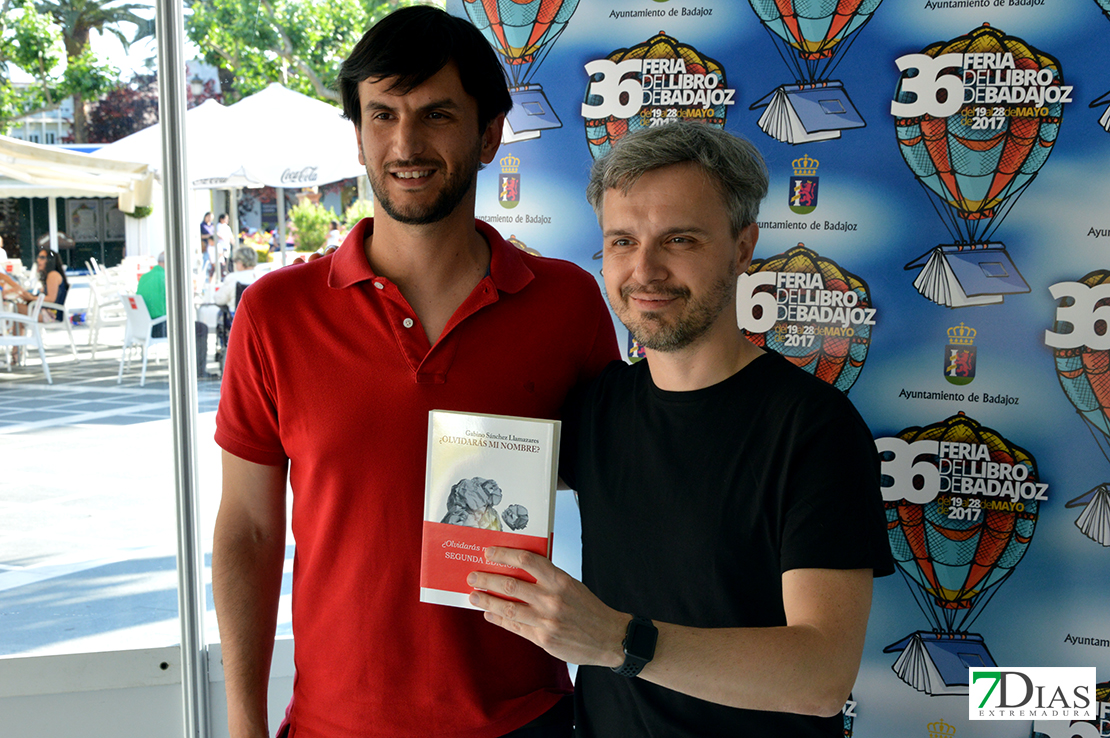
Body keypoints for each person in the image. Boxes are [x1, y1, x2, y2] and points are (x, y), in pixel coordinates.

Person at [211, 7, 618, 738]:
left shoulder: (567, 304)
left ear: (489, 134)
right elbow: (247, 530)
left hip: (526, 722)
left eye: (436, 115)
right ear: (360, 135)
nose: (406, 143)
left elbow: (623, 500)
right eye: (382, 115)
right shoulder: (275, 312)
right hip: (336, 724)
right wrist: (244, 723)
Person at [467, 124, 894, 737]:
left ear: (743, 248)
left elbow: (822, 678)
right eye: (622, 241)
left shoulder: (814, 429)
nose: (645, 270)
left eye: (680, 239)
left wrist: (619, 640)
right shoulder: (595, 409)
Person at [136, 252, 218, 380]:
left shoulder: (145, 277)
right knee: (201, 328)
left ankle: (191, 367)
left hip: (144, 326)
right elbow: (180, 303)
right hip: (160, 326)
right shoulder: (166, 278)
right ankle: (199, 371)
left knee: (191, 326)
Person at [1, 247, 69, 322]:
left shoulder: (53, 275)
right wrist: (28, 297)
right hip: (48, 312)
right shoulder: (50, 275)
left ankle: (8, 332)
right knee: (18, 309)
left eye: (42, 257)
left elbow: (51, 299)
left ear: (50, 260)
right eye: (38, 257)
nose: (38, 260)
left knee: (18, 308)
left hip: (52, 316)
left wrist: (32, 298)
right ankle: (14, 333)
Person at [213, 246, 259, 313]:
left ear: (240, 261)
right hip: (260, 316)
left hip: (239, 316)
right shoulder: (264, 276)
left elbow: (219, 299)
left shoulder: (232, 277)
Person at [215, 213, 235, 280]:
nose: (227, 220)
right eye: (225, 218)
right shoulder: (218, 226)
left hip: (227, 246)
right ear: (221, 219)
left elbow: (231, 236)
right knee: (221, 260)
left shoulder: (227, 227)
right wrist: (222, 237)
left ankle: (226, 273)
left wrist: (233, 241)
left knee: (227, 260)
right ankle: (221, 275)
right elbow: (217, 233)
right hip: (221, 246)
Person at [200, 212, 216, 279]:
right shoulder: (202, 225)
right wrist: (208, 236)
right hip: (206, 245)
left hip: (213, 246)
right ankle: (205, 278)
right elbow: (200, 235)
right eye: (209, 217)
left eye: (211, 217)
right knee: (206, 261)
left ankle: (211, 278)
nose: (210, 219)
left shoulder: (212, 225)